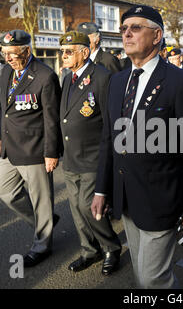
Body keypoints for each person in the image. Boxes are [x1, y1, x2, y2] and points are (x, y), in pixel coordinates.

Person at [91, 5, 183, 289]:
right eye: (123, 29)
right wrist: (101, 188)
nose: (126, 34)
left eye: (135, 28)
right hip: (126, 196)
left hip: (161, 197)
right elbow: (110, 138)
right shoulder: (117, 81)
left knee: (153, 278)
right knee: (143, 275)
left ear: (157, 36)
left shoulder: (180, 81)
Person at [0, 30, 62, 267]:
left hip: (35, 148)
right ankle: (46, 221)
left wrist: (51, 152)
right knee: (6, 192)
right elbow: (5, 108)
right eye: (5, 54)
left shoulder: (45, 76)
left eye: (13, 54)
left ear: (27, 51)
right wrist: (1, 138)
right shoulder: (5, 72)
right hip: (10, 147)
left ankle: (42, 246)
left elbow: (51, 119)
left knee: (41, 199)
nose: (8, 59)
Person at [58, 31, 122, 275]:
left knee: (88, 206)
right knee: (75, 209)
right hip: (71, 156)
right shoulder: (68, 78)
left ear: (84, 52)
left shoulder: (102, 77)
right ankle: (89, 250)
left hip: (93, 155)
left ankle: (111, 247)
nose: (63, 55)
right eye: (62, 51)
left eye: (68, 51)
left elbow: (109, 121)